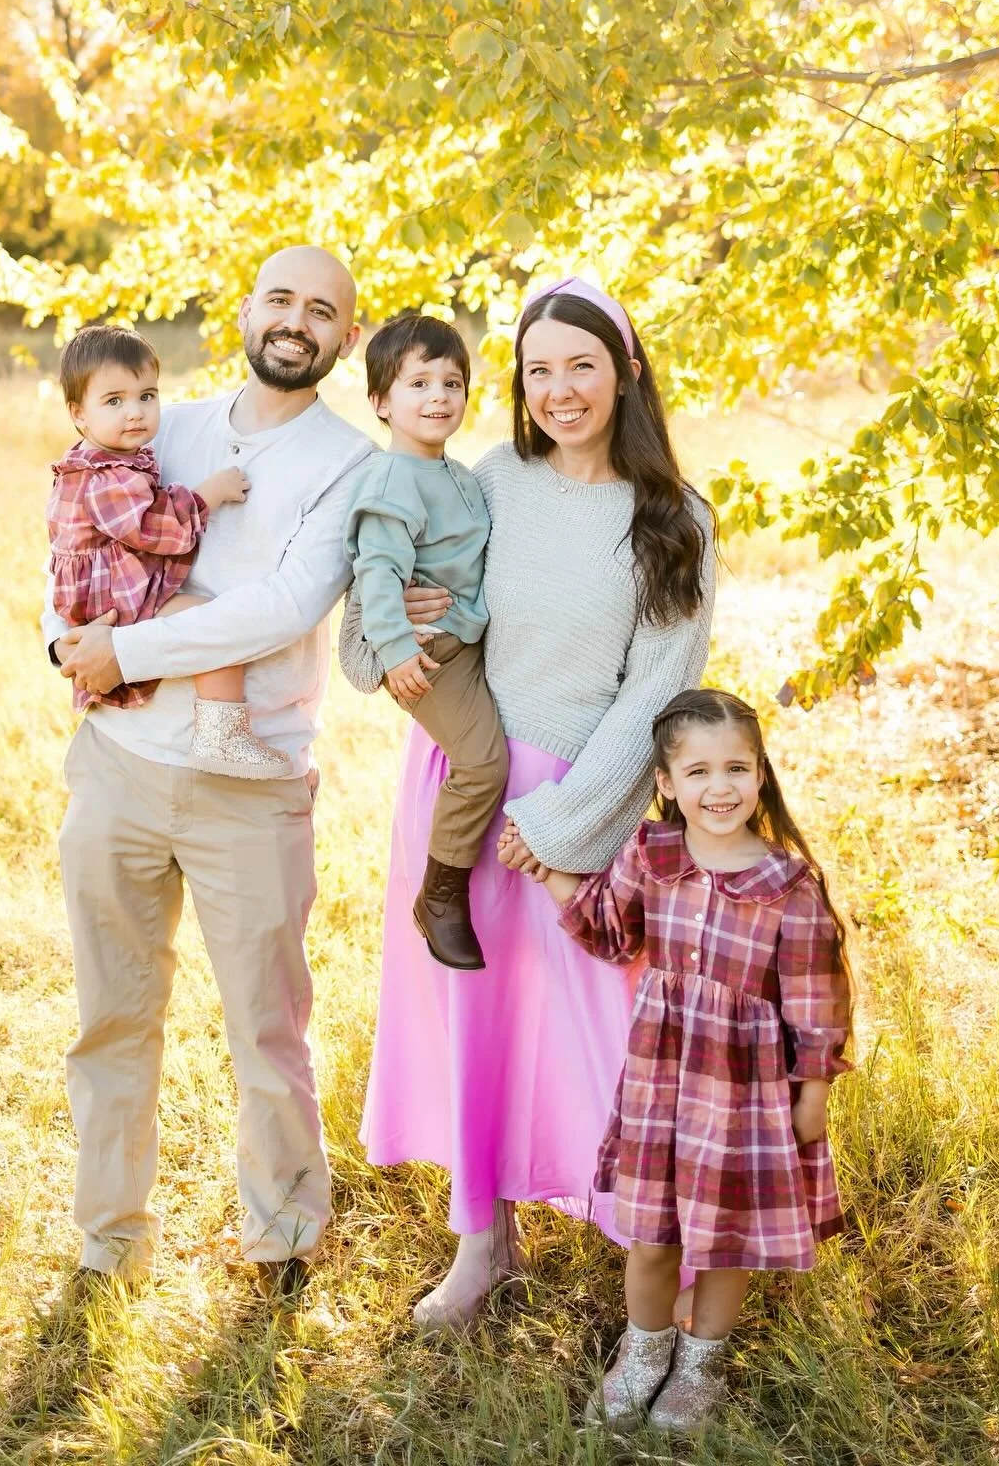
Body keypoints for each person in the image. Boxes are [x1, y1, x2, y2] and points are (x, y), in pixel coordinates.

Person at [342, 275, 716, 1330]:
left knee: (610, 1027)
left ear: (625, 370)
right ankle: (481, 1238)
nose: (558, 389)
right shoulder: (492, 479)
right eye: (537, 369)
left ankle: (664, 1252)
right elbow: (391, 568)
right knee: (474, 1015)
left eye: (581, 365)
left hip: (575, 806)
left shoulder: (671, 519)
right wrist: (391, 628)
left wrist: (557, 831)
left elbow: (659, 693)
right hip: (461, 788)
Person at [47, 246, 373, 1296]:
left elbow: (283, 607)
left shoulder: (349, 464)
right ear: (246, 308)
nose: (296, 320)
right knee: (113, 1015)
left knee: (267, 1029)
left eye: (321, 310)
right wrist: (63, 642)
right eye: (280, 298)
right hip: (121, 766)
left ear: (346, 339)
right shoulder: (161, 418)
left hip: (252, 779)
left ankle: (281, 1240)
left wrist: (124, 651)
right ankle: (109, 1241)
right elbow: (68, 539)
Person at [514, 688, 853, 1434]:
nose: (720, 787)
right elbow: (609, 934)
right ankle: (643, 1354)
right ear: (665, 784)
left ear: (760, 774)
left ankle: (701, 1362)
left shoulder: (788, 887)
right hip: (663, 1083)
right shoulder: (652, 853)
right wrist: (545, 869)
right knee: (652, 1233)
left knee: (727, 1236)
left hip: (746, 1094)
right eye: (697, 772)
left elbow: (816, 1000)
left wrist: (813, 1092)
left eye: (736, 767)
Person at [48, 322, 290, 778]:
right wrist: (209, 494)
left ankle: (220, 731)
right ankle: (222, 734)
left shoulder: (103, 460)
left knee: (205, 618)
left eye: (147, 395)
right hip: (114, 601)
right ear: (79, 413)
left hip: (105, 594)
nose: (135, 412)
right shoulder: (106, 476)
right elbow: (156, 529)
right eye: (114, 401)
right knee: (209, 619)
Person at [342, 314, 508, 971]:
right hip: (430, 654)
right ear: (382, 402)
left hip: (467, 641)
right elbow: (377, 570)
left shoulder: (457, 473)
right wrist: (395, 651)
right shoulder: (392, 481)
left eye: (452, 382)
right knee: (483, 764)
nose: (439, 396)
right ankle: (440, 893)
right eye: (419, 383)